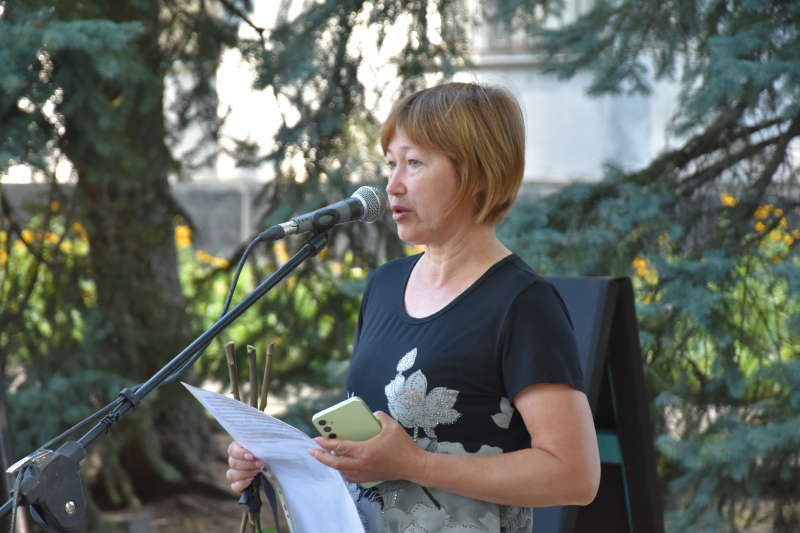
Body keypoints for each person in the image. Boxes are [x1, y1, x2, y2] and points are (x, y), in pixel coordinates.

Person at [227, 82, 600, 533]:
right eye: (391, 164)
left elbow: (574, 475)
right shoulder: (384, 286)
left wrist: (416, 464)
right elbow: (374, 463)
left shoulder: (523, 304)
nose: (393, 185)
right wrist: (277, 462)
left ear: (479, 175)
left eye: (415, 163)